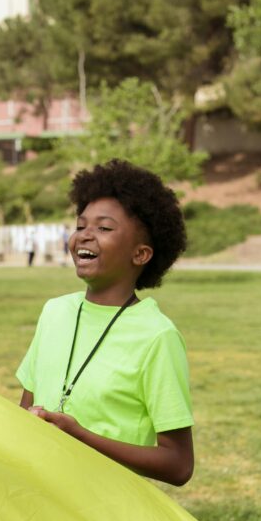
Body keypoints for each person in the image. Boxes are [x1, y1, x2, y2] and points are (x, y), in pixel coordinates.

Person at [16, 159, 194, 486]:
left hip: (109, 516)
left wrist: (81, 437)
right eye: (81, 226)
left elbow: (179, 465)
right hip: (39, 500)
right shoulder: (54, 312)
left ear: (141, 254)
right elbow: (25, 412)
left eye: (104, 228)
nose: (85, 236)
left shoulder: (157, 336)